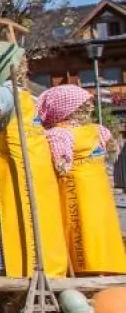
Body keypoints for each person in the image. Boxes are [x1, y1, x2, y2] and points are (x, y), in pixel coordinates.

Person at [0, 42, 68, 278]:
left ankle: (50, 270)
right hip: (18, 168)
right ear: (9, 67)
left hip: (34, 163)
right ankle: (25, 269)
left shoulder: (21, 93)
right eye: (21, 62)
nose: (26, 66)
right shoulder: (3, 91)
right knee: (23, 218)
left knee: (44, 220)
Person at [35, 85, 126, 274]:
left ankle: (109, 266)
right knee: (83, 227)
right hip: (76, 189)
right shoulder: (59, 135)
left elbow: (110, 149)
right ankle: (86, 268)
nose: (90, 109)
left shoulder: (94, 130)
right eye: (84, 106)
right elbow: (61, 166)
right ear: (69, 109)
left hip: (97, 187)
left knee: (103, 226)